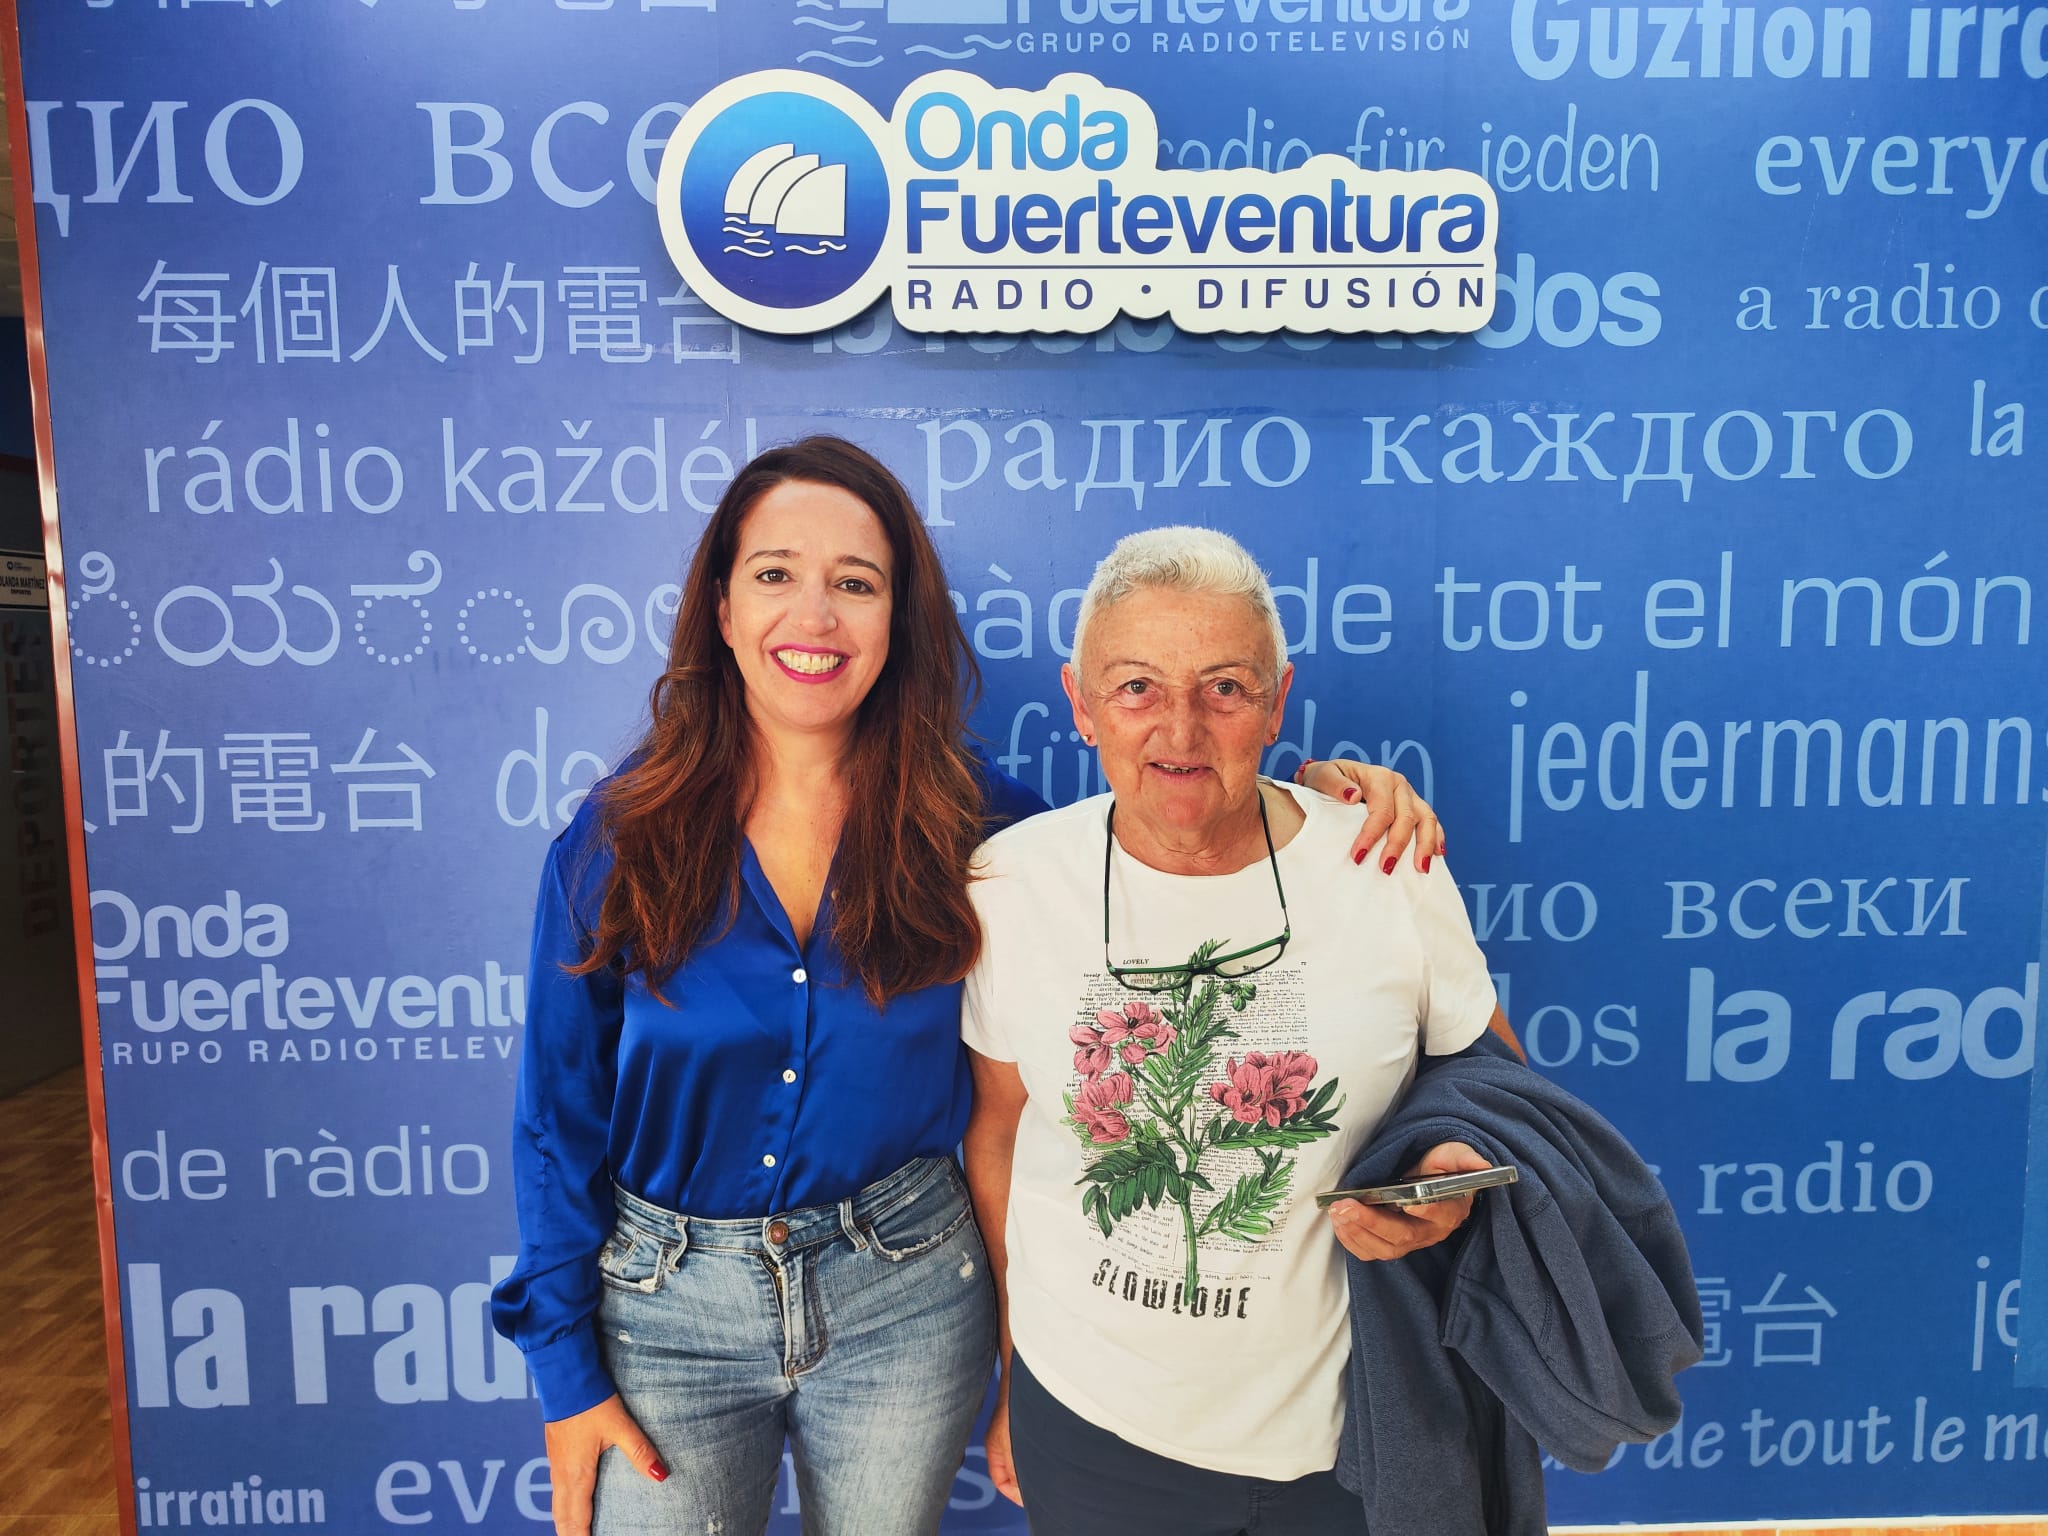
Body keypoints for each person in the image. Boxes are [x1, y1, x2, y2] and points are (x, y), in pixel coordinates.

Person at [490, 440, 1445, 1536]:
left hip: (902, 1294)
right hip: (666, 1313)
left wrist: (1326, 801)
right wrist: (564, 1376)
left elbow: (1170, 825)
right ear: (720, 606)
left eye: (856, 583)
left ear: (897, 619)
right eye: (775, 574)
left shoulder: (984, 831)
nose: (815, 615)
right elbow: (556, 1121)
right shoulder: (618, 841)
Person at [961, 524, 1524, 1535]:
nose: (1178, 729)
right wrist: (1011, 1367)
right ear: (1080, 704)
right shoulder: (1007, 884)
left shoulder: (1385, 862)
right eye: (1135, 687)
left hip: (1348, 1436)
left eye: (1224, 687)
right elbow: (998, 1136)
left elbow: (1502, 1092)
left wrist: (1449, 1185)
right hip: (1089, 1427)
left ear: (1276, 701)